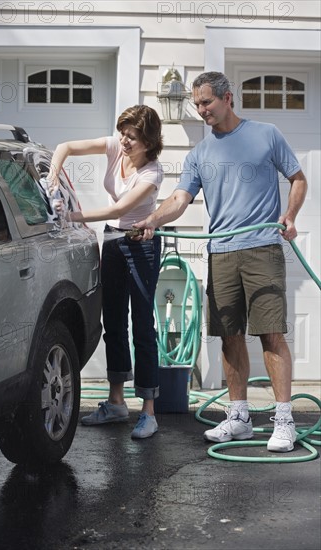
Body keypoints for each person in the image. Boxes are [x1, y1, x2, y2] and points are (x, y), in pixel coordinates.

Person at [134, 72, 308, 452]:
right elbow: (180, 199)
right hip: (221, 252)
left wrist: (290, 216)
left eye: (206, 102)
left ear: (228, 98)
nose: (201, 110)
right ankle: (239, 416)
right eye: (196, 104)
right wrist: (152, 219)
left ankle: (283, 420)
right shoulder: (199, 154)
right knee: (229, 336)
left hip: (262, 247)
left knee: (270, 333)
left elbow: (298, 178)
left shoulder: (267, 134)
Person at [47, 105, 164, 439]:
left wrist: (68, 216)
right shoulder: (115, 147)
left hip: (141, 246)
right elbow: (65, 148)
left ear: (148, 140)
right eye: (123, 133)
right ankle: (116, 403)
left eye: (133, 136)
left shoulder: (153, 173)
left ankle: (148, 411)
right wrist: (53, 177)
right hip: (113, 242)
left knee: (142, 325)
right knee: (113, 322)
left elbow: (117, 208)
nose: (124, 141)